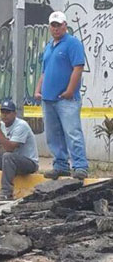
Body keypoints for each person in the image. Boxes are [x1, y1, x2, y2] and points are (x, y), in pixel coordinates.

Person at [34, 11, 88, 180]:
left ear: (65, 25)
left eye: (59, 25)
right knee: (53, 135)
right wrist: (38, 90)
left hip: (66, 99)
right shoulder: (49, 46)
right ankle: (61, 165)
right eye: (53, 25)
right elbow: (44, 71)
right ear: (50, 27)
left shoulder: (73, 44)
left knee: (72, 133)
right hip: (48, 99)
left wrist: (70, 90)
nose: (56, 28)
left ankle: (80, 166)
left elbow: (78, 68)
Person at [0, 100, 39, 201]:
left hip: (29, 163)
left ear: (14, 113)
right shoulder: (1, 125)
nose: (4, 115)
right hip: (11, 163)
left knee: (7, 155)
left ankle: (6, 192)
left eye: (7, 112)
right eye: (2, 112)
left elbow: (10, 148)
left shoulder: (21, 125)